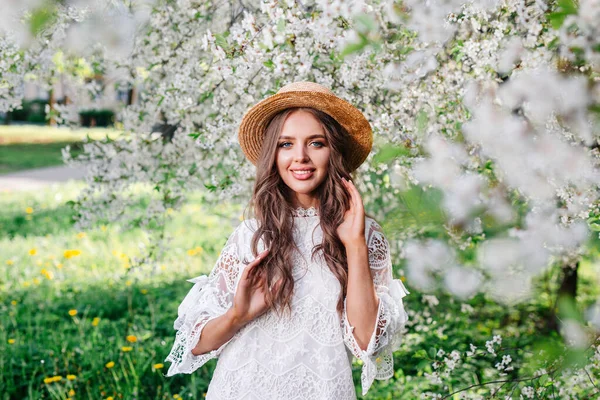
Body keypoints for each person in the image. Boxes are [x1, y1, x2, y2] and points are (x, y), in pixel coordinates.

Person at [164, 82, 410, 399]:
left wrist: (354, 245)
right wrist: (238, 314)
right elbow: (196, 343)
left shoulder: (364, 236)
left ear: (333, 152)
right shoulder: (251, 235)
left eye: (316, 143)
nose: (301, 157)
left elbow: (367, 343)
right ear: (273, 155)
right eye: (286, 144)